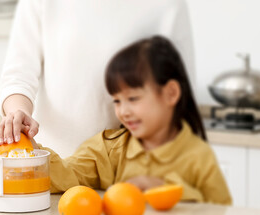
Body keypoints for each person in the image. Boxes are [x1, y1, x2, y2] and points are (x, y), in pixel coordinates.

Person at [38, 36, 231, 204]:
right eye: (117, 101)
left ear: (171, 93)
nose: (123, 111)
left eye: (133, 99)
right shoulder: (110, 149)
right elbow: (68, 175)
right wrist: (32, 153)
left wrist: (164, 188)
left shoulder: (198, 157)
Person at [0, 0, 195, 158]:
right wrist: (18, 113)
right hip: (52, 169)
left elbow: (181, 97)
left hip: (132, 172)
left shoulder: (168, 5)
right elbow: (18, 73)